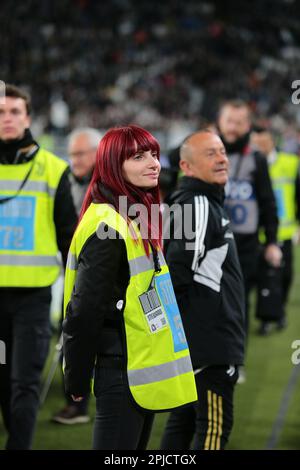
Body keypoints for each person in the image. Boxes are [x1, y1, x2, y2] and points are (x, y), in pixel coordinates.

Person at [62, 124, 197, 450]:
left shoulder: (130, 214)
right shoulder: (107, 224)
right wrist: (77, 376)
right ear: (112, 165)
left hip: (134, 369)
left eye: (153, 154)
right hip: (120, 371)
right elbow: (84, 310)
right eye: (138, 156)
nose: (153, 163)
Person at [0, 84, 77, 449]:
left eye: (15, 111)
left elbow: (69, 239)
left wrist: (78, 293)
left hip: (32, 301)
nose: (7, 118)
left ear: (28, 118)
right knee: (4, 382)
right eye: (1, 112)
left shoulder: (53, 169)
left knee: (24, 383)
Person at [160, 129, 245, 450]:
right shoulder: (197, 203)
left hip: (200, 342)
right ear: (187, 166)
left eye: (222, 151)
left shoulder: (201, 201)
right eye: (211, 153)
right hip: (209, 345)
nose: (223, 158)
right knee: (213, 428)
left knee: (182, 424)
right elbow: (175, 273)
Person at [217, 100, 281, 337]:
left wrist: (272, 241)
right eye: (229, 121)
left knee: (238, 298)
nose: (233, 128)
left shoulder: (256, 158)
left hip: (244, 243)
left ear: (249, 126)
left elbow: (268, 202)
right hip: (210, 239)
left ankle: (235, 358)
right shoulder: (206, 152)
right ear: (219, 122)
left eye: (239, 122)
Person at [52, 127, 102, 425]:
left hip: (104, 276)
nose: (75, 159)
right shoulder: (67, 182)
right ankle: (76, 402)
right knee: (71, 332)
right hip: (74, 272)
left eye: (81, 153)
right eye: (71, 154)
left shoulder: (111, 187)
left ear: (98, 153)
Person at [251, 126, 300, 333]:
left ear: (272, 141)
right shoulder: (251, 165)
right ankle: (266, 319)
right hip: (260, 232)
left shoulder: (290, 163)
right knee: (266, 277)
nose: (259, 145)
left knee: (286, 275)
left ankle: (278, 311)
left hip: (286, 230)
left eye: (263, 141)